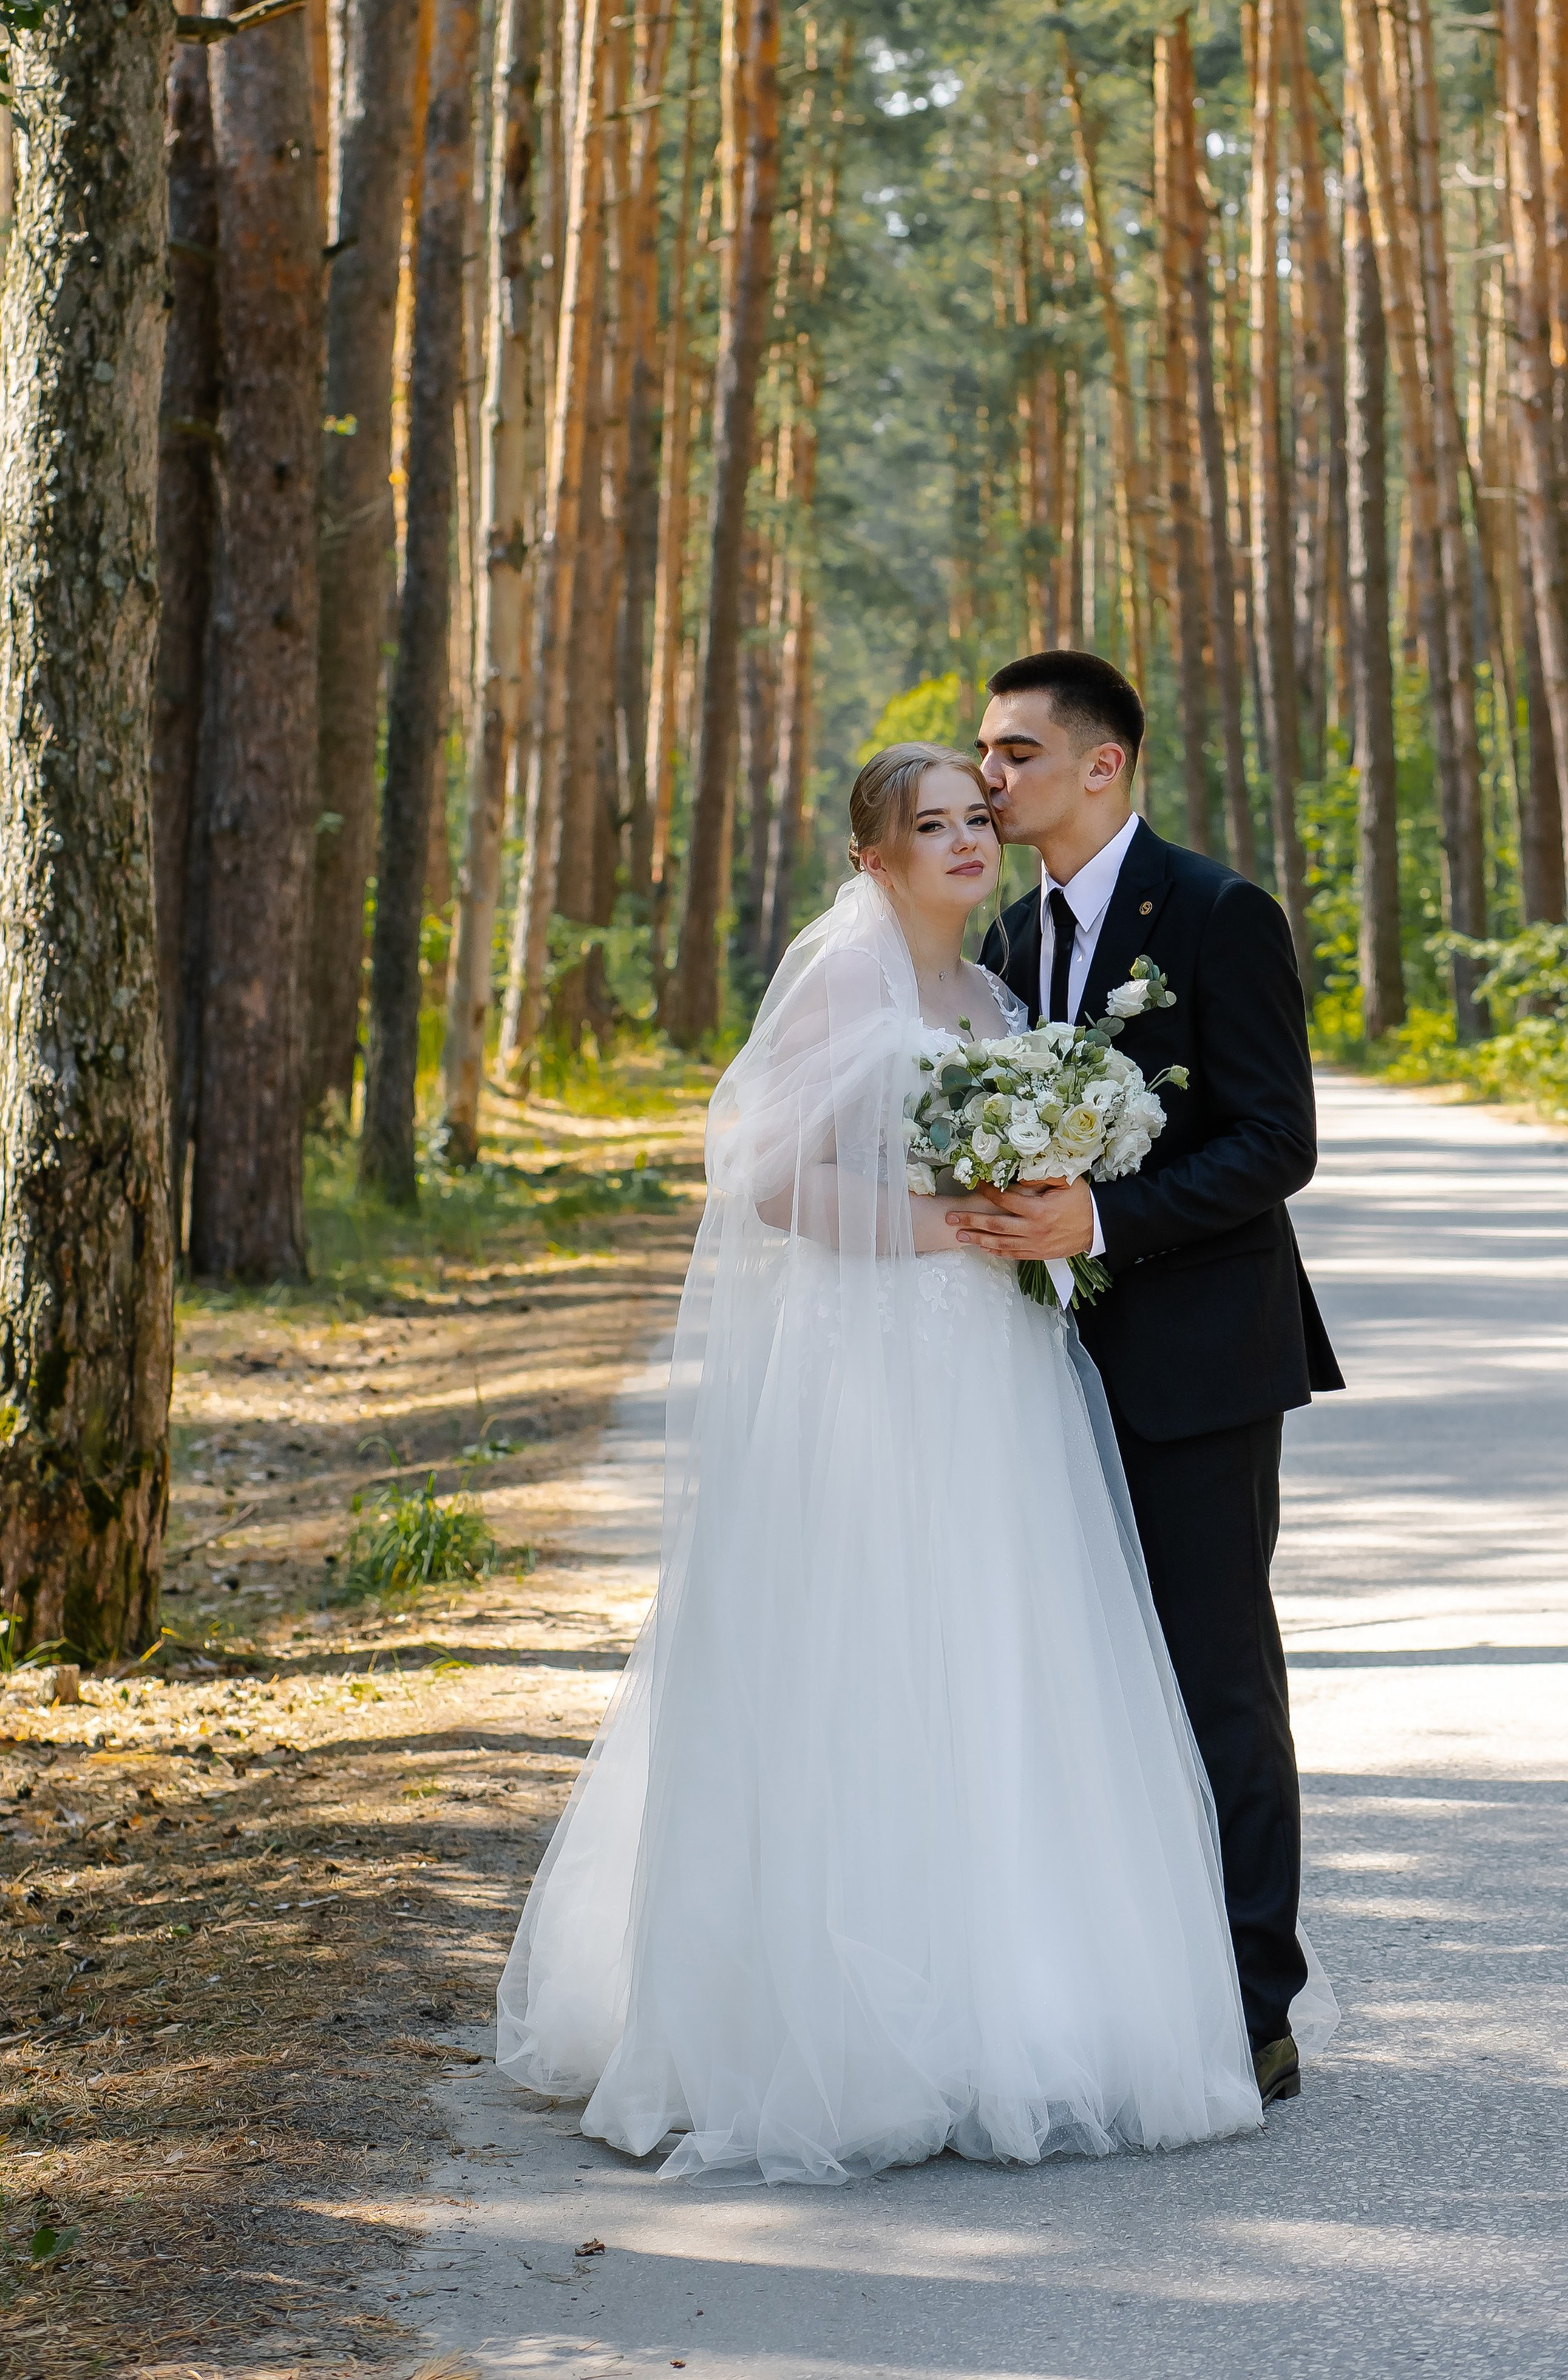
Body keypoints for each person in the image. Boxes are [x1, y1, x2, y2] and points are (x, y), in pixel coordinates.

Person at [496, 742, 1272, 2183]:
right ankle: (835, 2029)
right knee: (861, 1652)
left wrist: (1038, 1198)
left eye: (977, 819)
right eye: (934, 825)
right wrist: (941, 1226)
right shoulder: (841, 977)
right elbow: (768, 1177)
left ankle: (1017, 2009)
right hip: (865, 1363)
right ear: (873, 855)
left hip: (990, 1366)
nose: (968, 841)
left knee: (995, 1650)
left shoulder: (992, 995)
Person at [964, 648, 1344, 2107]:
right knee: (1074, 1679)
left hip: (1197, 1358)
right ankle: (1107, 1980)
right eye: (981, 755)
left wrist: (1103, 1216)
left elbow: (1271, 1141)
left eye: (1011, 752)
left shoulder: (1212, 911)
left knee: (1212, 1679)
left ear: (1101, 763)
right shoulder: (1001, 943)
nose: (987, 777)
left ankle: (1252, 2000)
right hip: (1032, 1368)